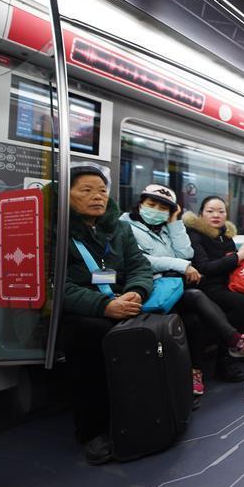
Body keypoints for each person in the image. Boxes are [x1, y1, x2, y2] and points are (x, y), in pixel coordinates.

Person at [120, 184, 244, 398]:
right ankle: (236, 341)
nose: (156, 211)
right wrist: (183, 266)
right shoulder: (126, 227)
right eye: (151, 204)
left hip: (174, 288)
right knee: (200, 298)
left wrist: (174, 222)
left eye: (163, 208)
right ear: (140, 204)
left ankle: (196, 370)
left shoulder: (167, 228)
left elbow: (185, 253)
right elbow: (143, 260)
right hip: (148, 287)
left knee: (196, 320)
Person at [60, 165, 154, 465]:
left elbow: (140, 267)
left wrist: (136, 291)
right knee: (93, 335)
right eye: (86, 190)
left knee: (156, 329)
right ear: (66, 194)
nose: (97, 197)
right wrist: (103, 306)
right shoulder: (55, 229)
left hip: (121, 299)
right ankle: (92, 430)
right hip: (76, 309)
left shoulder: (119, 229)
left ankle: (142, 412)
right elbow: (55, 285)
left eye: (102, 191)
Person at [183, 196, 244, 381]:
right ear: (201, 214)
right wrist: (238, 257)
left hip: (231, 282)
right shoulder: (195, 236)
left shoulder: (225, 237)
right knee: (241, 303)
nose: (216, 215)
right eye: (210, 211)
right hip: (209, 286)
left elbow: (234, 263)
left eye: (221, 211)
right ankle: (224, 359)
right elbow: (204, 268)